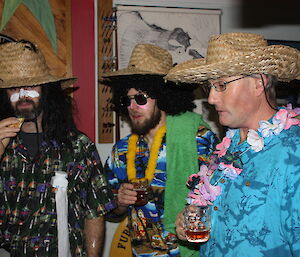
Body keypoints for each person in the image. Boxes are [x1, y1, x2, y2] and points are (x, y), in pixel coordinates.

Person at [165, 32, 300, 257]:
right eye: (209, 87)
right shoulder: (228, 147)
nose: (211, 99)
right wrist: (194, 215)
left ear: (258, 83)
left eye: (221, 85)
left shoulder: (293, 154)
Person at [0, 40, 116, 257]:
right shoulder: (4, 146)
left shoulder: (78, 146)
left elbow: (94, 212)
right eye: (14, 88)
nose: (23, 95)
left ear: (46, 90)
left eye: (31, 86)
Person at [101, 43, 218, 257]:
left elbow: (223, 197)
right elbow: (109, 211)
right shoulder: (121, 151)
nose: (132, 107)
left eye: (141, 98)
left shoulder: (196, 137)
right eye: (126, 100)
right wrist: (118, 202)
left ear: (163, 96)